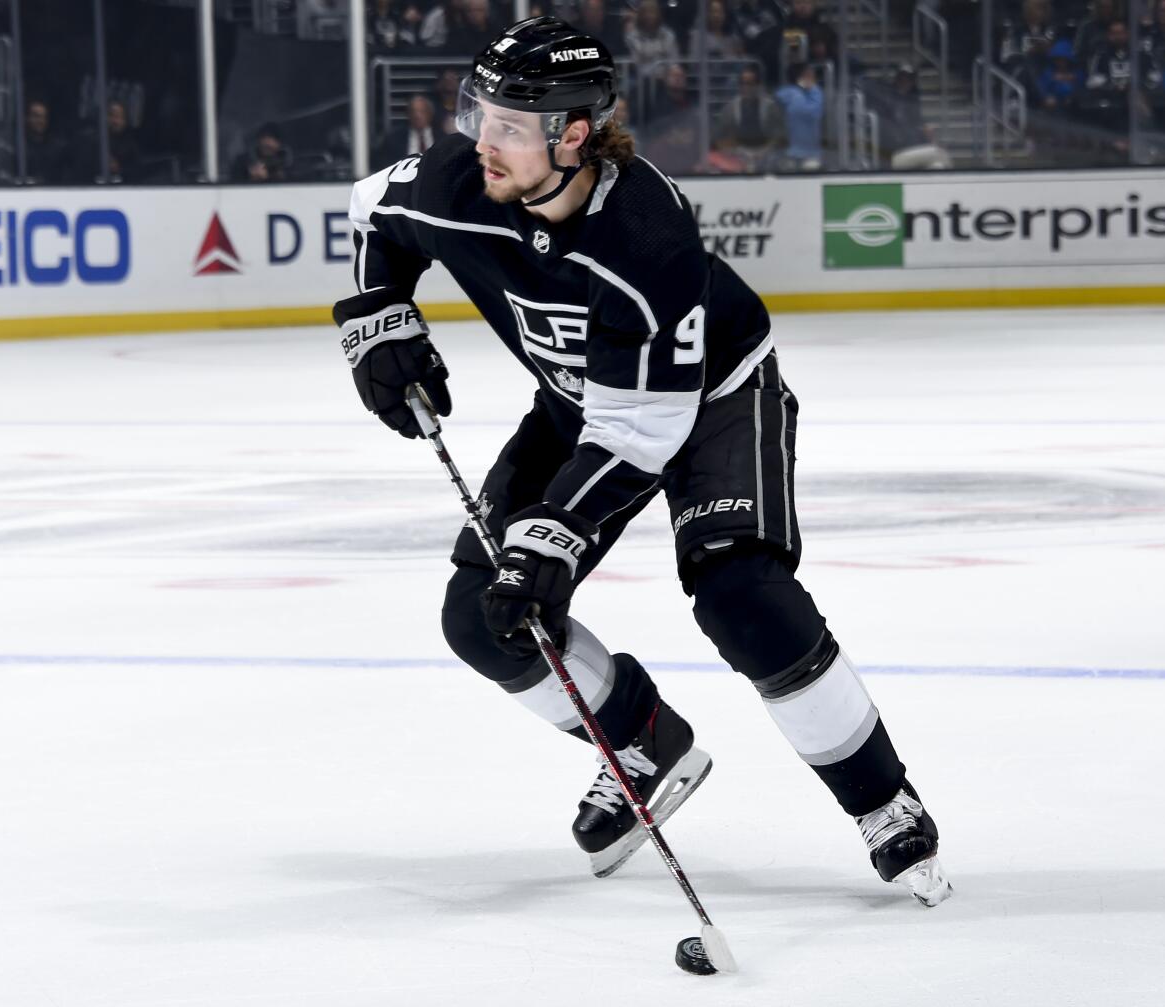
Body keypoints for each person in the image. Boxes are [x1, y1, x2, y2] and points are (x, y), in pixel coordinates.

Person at [332, 15, 953, 905]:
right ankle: (642, 740)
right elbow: (371, 214)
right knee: (482, 616)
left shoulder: (645, 238)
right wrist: (377, 318)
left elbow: (642, 429)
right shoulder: (456, 178)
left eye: (508, 124)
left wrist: (557, 534)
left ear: (572, 135)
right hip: (582, 401)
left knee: (741, 593)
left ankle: (881, 799)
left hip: (710, 401)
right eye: (481, 113)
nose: (482, 141)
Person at [775, 61, 824, 170]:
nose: (812, 79)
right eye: (809, 75)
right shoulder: (792, 95)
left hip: (809, 154)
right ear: (801, 77)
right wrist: (812, 89)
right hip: (792, 153)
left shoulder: (814, 93)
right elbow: (810, 113)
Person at [377, 94, 439, 165]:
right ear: (408, 114)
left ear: (430, 114)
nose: (417, 116)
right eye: (414, 111)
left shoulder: (442, 138)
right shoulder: (394, 139)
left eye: (422, 111)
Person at [22, 99, 67, 184]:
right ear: (27, 118)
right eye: (36, 116)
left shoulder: (57, 148)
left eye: (44, 117)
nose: (41, 121)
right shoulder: (19, 147)